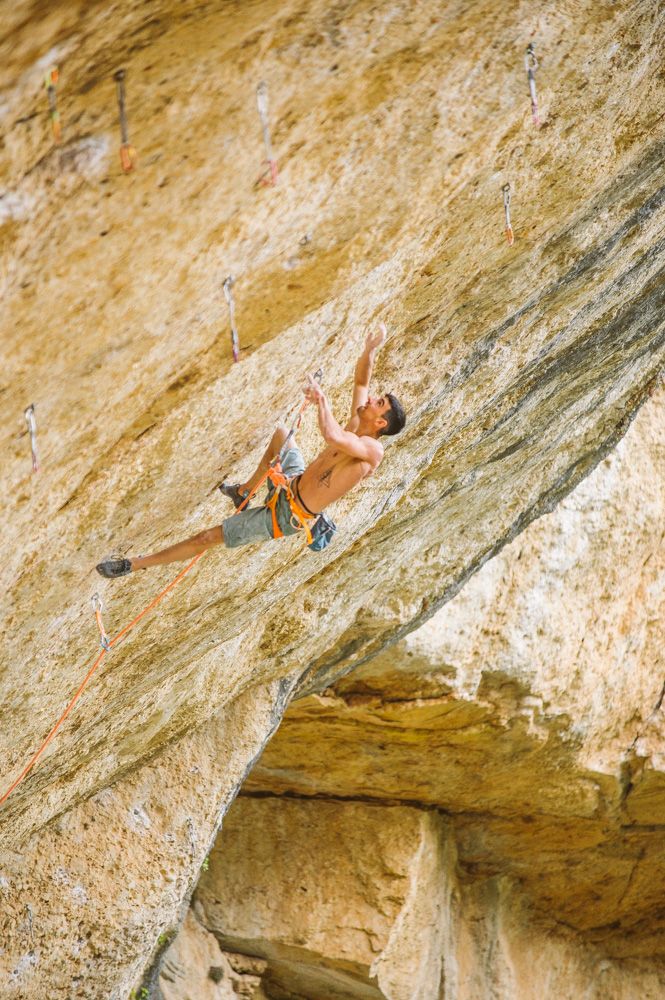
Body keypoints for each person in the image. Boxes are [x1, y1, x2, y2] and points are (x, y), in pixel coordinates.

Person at [96, 325, 406, 578]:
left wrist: (323, 402)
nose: (372, 398)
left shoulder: (371, 451)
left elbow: (332, 436)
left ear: (380, 422)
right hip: (292, 482)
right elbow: (361, 380)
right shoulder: (359, 421)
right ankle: (244, 492)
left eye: (379, 403)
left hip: (286, 515)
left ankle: (133, 565)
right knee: (281, 434)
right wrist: (370, 350)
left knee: (207, 538)